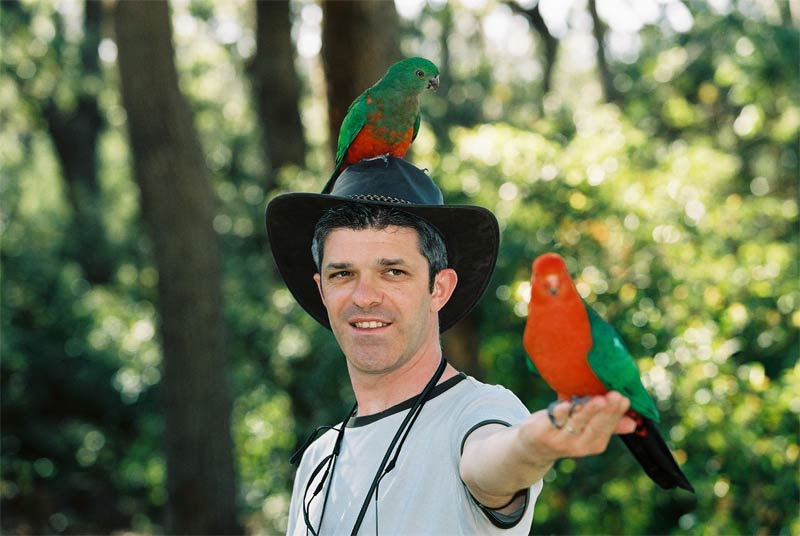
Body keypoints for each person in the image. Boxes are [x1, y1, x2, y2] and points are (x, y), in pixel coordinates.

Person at [266, 157, 636, 535]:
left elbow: (490, 464)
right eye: (343, 274)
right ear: (322, 290)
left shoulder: (477, 413)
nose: (364, 297)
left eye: (393, 272)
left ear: (439, 289)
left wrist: (530, 447)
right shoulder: (318, 462)